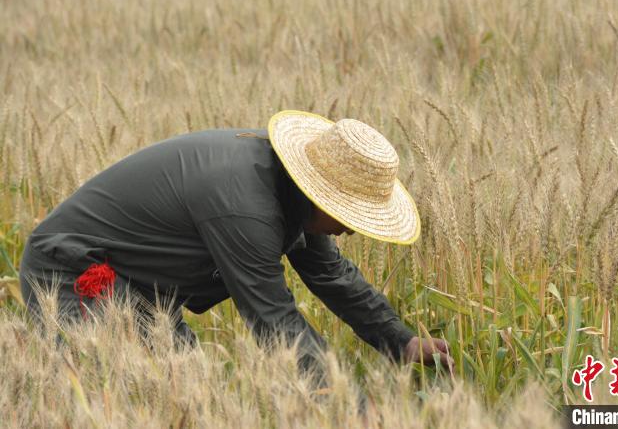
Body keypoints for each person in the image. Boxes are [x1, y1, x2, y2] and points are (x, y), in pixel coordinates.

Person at [20, 110, 453, 372]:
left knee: (182, 379)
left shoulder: (293, 192)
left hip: (142, 287)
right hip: (75, 270)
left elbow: (332, 276)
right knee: (120, 387)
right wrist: (348, 407)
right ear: (318, 191)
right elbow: (274, 320)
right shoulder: (245, 206)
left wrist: (402, 341)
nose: (353, 229)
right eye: (348, 213)